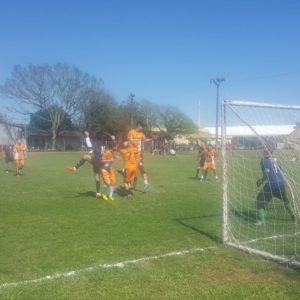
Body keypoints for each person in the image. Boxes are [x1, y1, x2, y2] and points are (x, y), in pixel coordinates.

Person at [255, 145, 295, 225]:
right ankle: (292, 214)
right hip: (281, 184)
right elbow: (283, 172)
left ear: (265, 150)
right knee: (285, 200)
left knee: (259, 200)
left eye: (263, 148)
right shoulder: (276, 159)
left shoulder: (263, 161)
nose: (262, 149)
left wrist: (260, 182)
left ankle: (261, 220)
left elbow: (266, 174)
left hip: (271, 185)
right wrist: (286, 182)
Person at [67, 131, 107, 200]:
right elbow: (98, 150)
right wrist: (91, 152)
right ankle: (98, 193)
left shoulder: (97, 142)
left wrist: (88, 137)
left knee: (86, 156)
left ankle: (75, 168)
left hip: (96, 160)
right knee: (97, 177)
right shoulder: (103, 144)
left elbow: (90, 146)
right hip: (100, 162)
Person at [127, 122, 151, 189]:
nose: (142, 128)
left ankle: (146, 183)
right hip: (132, 153)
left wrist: (152, 139)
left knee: (140, 167)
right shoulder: (131, 132)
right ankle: (130, 183)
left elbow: (145, 139)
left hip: (139, 154)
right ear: (138, 125)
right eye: (142, 126)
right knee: (132, 168)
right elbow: (129, 140)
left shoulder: (141, 134)